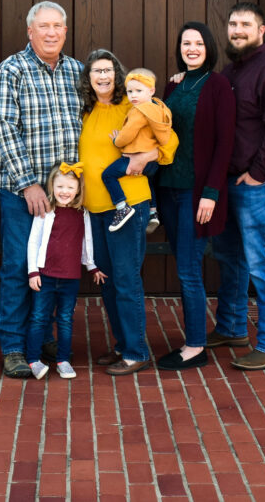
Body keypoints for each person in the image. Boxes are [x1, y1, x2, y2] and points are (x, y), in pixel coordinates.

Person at [0, 1, 84, 378]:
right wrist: (29, 183)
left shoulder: (77, 71)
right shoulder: (11, 71)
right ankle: (12, 346)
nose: (51, 32)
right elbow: (3, 129)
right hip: (22, 192)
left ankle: (40, 338)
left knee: (54, 270)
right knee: (17, 267)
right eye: (43, 26)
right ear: (30, 31)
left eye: (57, 26)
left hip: (66, 197)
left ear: (65, 31)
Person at [210, 2, 265, 371]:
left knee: (262, 263)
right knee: (230, 260)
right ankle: (232, 327)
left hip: (260, 183)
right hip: (232, 183)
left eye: (246, 24)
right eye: (232, 24)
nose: (237, 30)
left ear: (261, 31)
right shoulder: (231, 72)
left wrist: (259, 173)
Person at [77, 50, 177, 376]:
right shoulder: (85, 110)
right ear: (88, 78)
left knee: (126, 280)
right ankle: (122, 344)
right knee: (108, 282)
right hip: (95, 209)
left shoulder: (133, 105)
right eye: (96, 71)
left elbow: (169, 143)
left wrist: (145, 156)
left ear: (117, 75)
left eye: (108, 70)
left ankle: (136, 352)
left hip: (129, 206)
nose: (103, 76)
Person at [155, 22, 235, 371]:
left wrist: (211, 194)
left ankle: (196, 345)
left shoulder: (218, 86)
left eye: (198, 43)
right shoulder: (173, 85)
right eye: (185, 42)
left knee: (189, 269)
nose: (191, 48)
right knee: (183, 263)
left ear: (209, 47)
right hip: (168, 190)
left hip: (194, 193)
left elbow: (224, 144)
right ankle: (194, 339)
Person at [25, 162, 106, 380]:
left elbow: (86, 242)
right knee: (40, 317)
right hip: (45, 276)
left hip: (70, 278)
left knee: (65, 319)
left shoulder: (83, 213)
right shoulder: (46, 211)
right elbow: (33, 242)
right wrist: (33, 271)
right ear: (52, 187)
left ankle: (63, 360)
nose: (64, 192)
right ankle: (33, 359)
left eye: (70, 187)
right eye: (60, 186)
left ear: (78, 190)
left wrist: (92, 265)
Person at [102, 68, 175, 233]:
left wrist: (116, 140)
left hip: (134, 158)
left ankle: (121, 207)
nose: (133, 95)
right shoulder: (159, 108)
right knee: (148, 180)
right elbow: (166, 137)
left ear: (151, 91)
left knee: (108, 175)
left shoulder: (139, 111)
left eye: (138, 91)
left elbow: (126, 136)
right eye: (130, 91)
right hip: (153, 163)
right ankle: (153, 211)